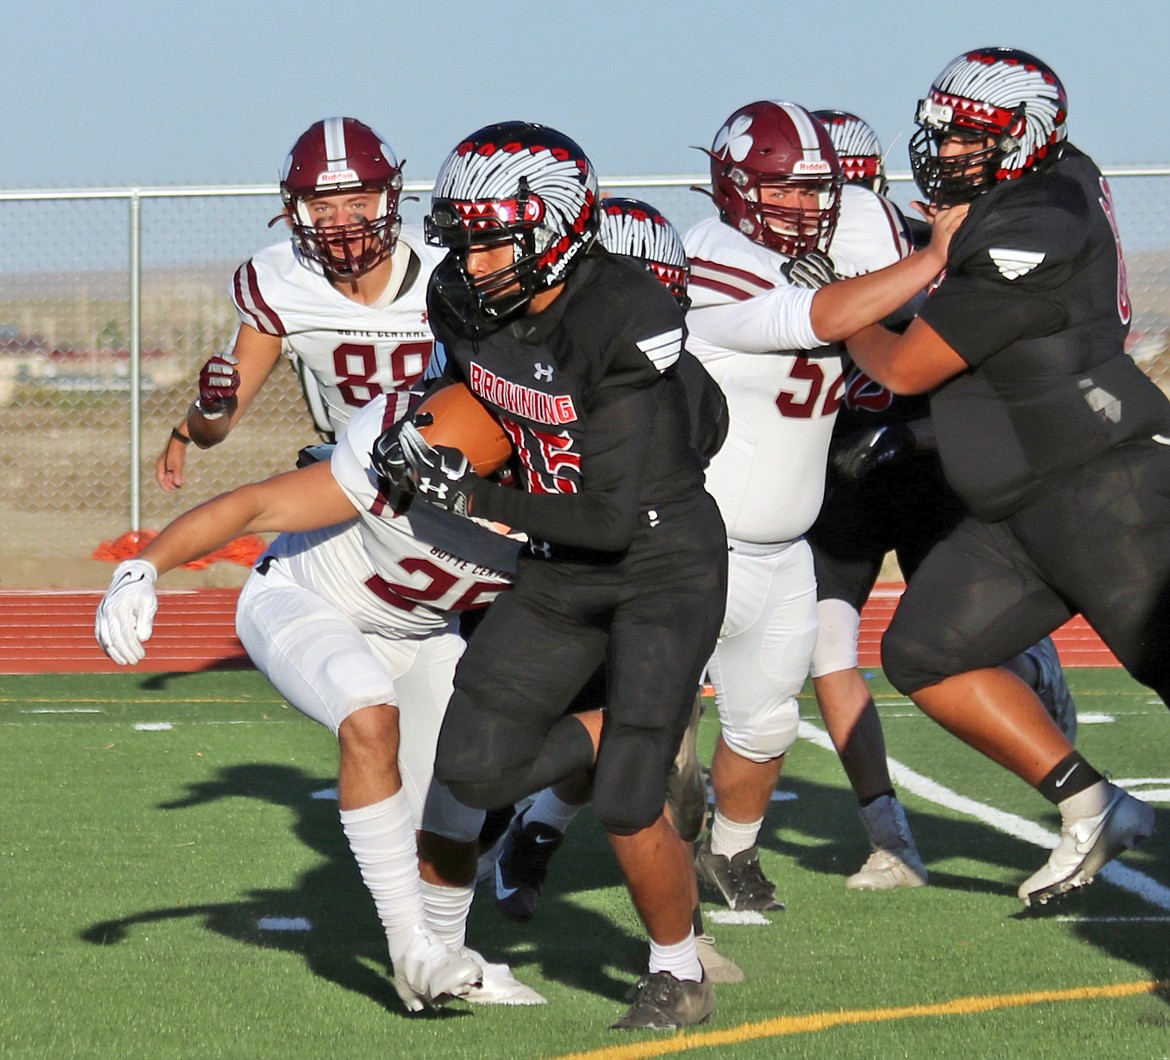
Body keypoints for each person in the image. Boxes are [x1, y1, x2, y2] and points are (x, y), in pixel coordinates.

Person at [376, 122, 728, 1030]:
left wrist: (472, 490)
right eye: (466, 235)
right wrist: (421, 439)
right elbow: (474, 392)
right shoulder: (466, 301)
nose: (475, 258)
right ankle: (628, 725)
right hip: (558, 564)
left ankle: (678, 972)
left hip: (657, 565)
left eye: (495, 237)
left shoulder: (625, 318)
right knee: (468, 768)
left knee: (625, 799)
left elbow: (611, 516)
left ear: (560, 229)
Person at [98, 391, 546, 1011]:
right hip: (305, 602)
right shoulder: (392, 457)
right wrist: (143, 567)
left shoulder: (562, 515)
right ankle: (410, 946)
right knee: (368, 712)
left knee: (460, 803)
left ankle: (446, 958)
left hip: (420, 633)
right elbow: (258, 505)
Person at [843, 46, 1163, 906]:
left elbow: (909, 367)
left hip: (1101, 488)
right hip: (1017, 504)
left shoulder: (1034, 222)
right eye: (943, 132)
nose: (947, 150)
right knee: (925, 653)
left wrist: (841, 316)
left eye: (971, 137)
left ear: (1026, 136)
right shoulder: (1038, 187)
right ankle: (1093, 808)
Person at [681, 99, 965, 912]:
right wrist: (934, 254)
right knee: (653, 730)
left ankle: (730, 858)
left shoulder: (843, 243)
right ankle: (534, 830)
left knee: (765, 727)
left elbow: (897, 318)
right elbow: (823, 314)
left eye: (816, 190)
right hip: (698, 541)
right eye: (783, 190)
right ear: (734, 190)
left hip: (784, 543)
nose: (803, 208)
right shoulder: (712, 256)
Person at [802, 107, 1077, 891]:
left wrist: (913, 435)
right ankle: (887, 836)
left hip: (929, 464)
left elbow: (966, 361)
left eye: (830, 190)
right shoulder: (774, 259)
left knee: (969, 642)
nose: (817, 209)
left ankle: (1065, 782)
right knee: (826, 648)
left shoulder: (938, 245)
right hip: (838, 478)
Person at [483, 196, 742, 985]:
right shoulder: (523, 355)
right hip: (546, 578)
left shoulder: (689, 390)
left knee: (660, 764)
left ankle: (671, 938)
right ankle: (490, 859)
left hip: (639, 580)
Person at [155, 116, 440, 491]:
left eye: (358, 203)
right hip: (355, 472)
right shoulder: (280, 284)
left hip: (456, 467)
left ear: (389, 200)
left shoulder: (450, 265)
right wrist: (205, 411)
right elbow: (214, 432)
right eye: (323, 209)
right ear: (296, 214)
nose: (343, 223)